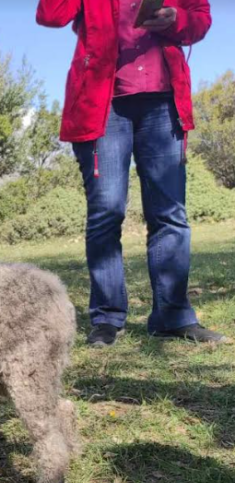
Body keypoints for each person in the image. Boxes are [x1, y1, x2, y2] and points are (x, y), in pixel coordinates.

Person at [36, 0, 225, 347]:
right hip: (101, 105)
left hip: (164, 102)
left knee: (170, 214)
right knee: (106, 211)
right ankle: (106, 318)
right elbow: (50, 15)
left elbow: (199, 19)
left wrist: (176, 18)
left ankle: (172, 316)